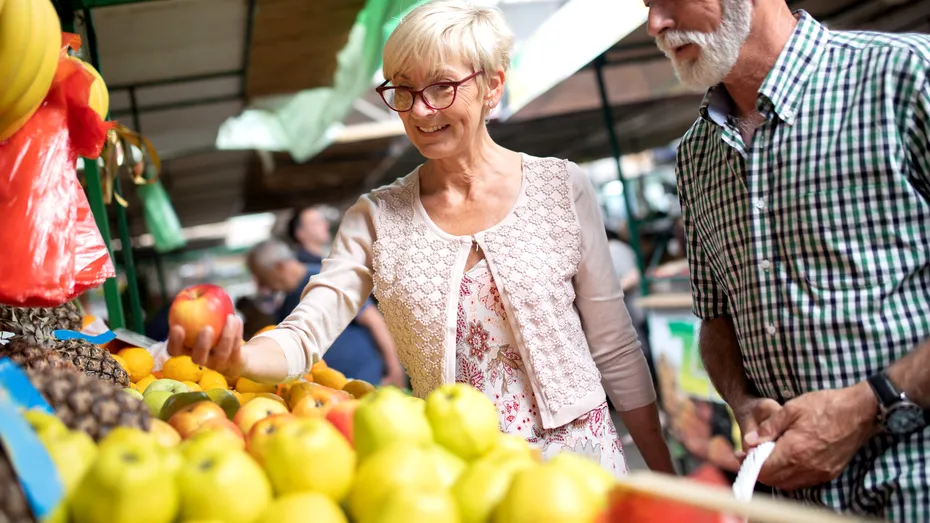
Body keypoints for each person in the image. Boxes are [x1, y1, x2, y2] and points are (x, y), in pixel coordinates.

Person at [168, 0, 674, 476]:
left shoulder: (562, 188)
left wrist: (665, 473)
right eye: (402, 90)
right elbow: (305, 333)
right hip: (460, 470)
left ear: (492, 86)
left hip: (585, 461)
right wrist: (241, 359)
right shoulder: (375, 219)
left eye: (441, 87)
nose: (420, 110)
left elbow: (613, 345)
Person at [647, 0, 930, 518]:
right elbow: (716, 316)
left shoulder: (906, 76)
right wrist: (742, 402)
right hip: (788, 504)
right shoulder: (695, 156)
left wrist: (869, 405)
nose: (656, 24)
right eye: (647, 6)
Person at [246, 238, 406, 388]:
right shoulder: (286, 302)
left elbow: (373, 320)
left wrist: (394, 369)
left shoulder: (326, 279)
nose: (261, 284)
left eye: (261, 276)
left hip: (368, 381)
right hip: (329, 394)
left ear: (279, 267)